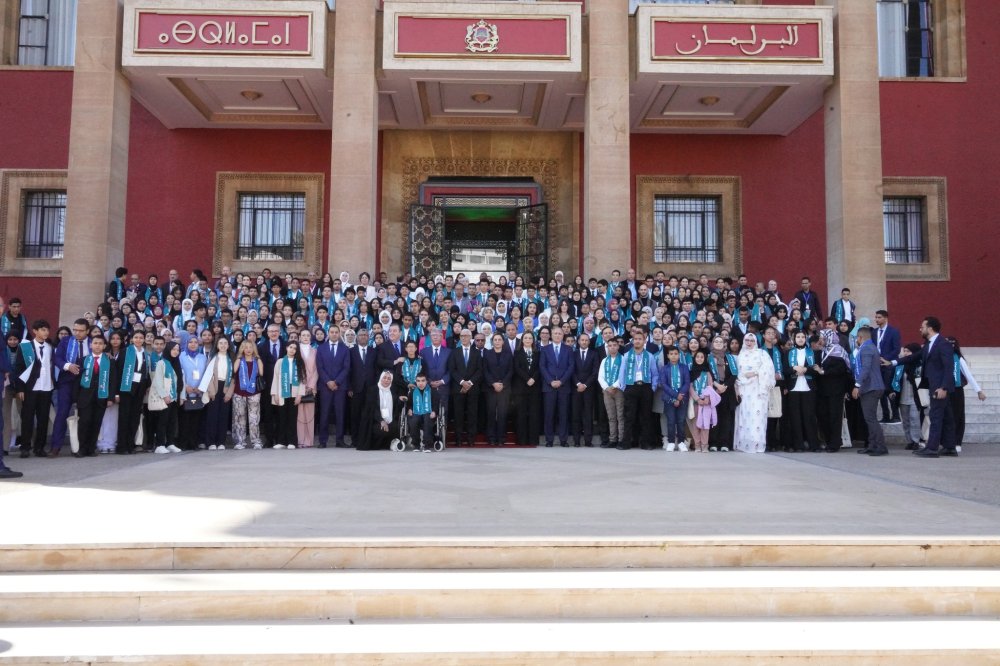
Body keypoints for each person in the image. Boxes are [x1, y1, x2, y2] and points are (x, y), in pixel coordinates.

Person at [891, 317, 956, 458]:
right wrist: (893, 362)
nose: (920, 329)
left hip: (940, 387)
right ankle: (950, 447)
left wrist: (943, 387)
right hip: (933, 385)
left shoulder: (942, 344)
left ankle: (932, 448)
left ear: (930, 328)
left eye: (922, 326)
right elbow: (913, 357)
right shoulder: (929, 345)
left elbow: (948, 367)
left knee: (936, 416)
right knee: (947, 417)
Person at [13, 320, 56, 458]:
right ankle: (25, 447)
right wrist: (19, 388)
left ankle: (40, 447)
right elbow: (18, 367)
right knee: (27, 418)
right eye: (43, 329)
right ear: (35, 331)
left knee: (43, 418)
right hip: (30, 387)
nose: (46, 332)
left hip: (46, 387)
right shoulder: (25, 347)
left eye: (47, 330)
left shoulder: (50, 347)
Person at [50, 318, 91, 455]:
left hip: (85, 382)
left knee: (85, 414)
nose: (77, 333)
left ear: (87, 331)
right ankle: (56, 446)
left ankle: (81, 446)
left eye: (81, 331)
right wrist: (68, 366)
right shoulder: (66, 341)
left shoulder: (92, 342)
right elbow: (57, 359)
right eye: (75, 330)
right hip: (66, 381)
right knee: (62, 412)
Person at [733, 333, 775, 453]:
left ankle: (757, 444)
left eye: (752, 340)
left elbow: (769, 369)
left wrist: (756, 373)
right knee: (744, 416)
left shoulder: (762, 353)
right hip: (744, 390)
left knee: (757, 417)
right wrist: (744, 378)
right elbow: (736, 373)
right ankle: (743, 443)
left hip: (758, 389)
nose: (749, 342)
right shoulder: (740, 356)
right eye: (747, 340)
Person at [945, 337, 987, 451]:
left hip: (957, 390)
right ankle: (947, 441)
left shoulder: (958, 359)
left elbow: (969, 375)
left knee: (958, 416)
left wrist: (979, 391)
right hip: (945, 389)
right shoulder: (942, 357)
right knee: (946, 417)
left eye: (951, 344)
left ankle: (957, 442)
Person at [620, 327, 658, 450]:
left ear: (644, 340)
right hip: (631, 387)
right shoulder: (626, 356)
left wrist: (652, 388)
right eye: (635, 339)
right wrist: (624, 387)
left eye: (639, 339)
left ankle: (645, 443)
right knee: (629, 416)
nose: (637, 341)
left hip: (646, 387)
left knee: (646, 417)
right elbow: (622, 372)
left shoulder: (650, 356)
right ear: (632, 341)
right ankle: (626, 442)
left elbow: (655, 374)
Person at [114, 330, 151, 455]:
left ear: (144, 340)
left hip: (140, 388)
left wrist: (146, 385)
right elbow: (118, 371)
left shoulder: (146, 353)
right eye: (136, 337)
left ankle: (130, 445)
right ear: (132, 339)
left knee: (135, 417)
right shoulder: (125, 352)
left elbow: (146, 371)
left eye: (141, 337)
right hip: (126, 387)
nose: (139, 340)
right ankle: (121, 446)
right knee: (124, 417)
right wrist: (117, 392)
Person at [813, 330, 851, 452]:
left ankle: (835, 444)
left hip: (836, 390)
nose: (820, 340)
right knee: (823, 415)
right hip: (822, 390)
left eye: (823, 338)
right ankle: (828, 440)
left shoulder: (839, 352)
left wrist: (824, 372)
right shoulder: (821, 352)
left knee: (835, 416)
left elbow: (841, 370)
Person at [852, 327, 887, 456]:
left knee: (871, 418)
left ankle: (880, 446)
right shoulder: (871, 347)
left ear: (860, 337)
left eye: (857, 338)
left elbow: (865, 369)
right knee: (869, 418)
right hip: (872, 386)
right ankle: (872, 445)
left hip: (871, 387)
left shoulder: (866, 348)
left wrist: (857, 385)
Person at [783, 330, 821, 452]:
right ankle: (797, 445)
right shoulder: (788, 352)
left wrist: (805, 369)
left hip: (808, 387)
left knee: (809, 417)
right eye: (798, 337)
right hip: (793, 388)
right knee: (795, 417)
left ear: (806, 339)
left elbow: (816, 370)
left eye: (802, 337)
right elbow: (785, 370)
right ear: (794, 339)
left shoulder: (813, 353)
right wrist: (794, 368)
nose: (800, 339)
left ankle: (813, 444)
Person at [198, 336, 235, 450]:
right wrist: (211, 391)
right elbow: (208, 375)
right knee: (212, 416)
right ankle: (211, 442)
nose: (223, 345)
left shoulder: (232, 359)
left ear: (228, 345)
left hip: (227, 387)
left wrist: (229, 393)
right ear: (217, 346)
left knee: (223, 416)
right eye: (221, 343)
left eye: (225, 343)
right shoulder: (212, 358)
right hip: (214, 387)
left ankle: (221, 442)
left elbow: (234, 378)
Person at [316, 326, 351, 448]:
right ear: (328, 333)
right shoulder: (321, 348)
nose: (334, 334)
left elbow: (346, 367)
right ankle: (322, 441)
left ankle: (340, 440)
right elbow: (320, 367)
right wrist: (328, 382)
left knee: (340, 414)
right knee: (324, 413)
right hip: (325, 386)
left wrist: (336, 382)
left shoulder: (345, 349)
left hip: (340, 387)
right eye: (332, 332)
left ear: (339, 334)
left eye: (337, 332)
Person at [448, 328, 482, 447]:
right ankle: (458, 438)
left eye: (466, 336)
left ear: (470, 337)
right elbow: (452, 370)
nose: (464, 338)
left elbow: (479, 370)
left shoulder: (477, 352)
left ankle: (471, 438)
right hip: (458, 388)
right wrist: (462, 382)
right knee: (458, 414)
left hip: (473, 388)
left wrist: (470, 383)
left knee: (472, 414)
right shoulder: (454, 352)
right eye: (462, 336)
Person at [540, 326, 574, 447]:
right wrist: (550, 381)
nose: (557, 335)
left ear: (563, 335)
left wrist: (561, 381)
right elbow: (542, 367)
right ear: (551, 335)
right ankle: (549, 440)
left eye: (560, 333)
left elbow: (571, 367)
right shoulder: (545, 349)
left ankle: (563, 440)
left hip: (564, 386)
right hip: (549, 387)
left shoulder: (569, 349)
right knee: (549, 414)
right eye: (555, 333)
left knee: (563, 414)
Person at [148, 340, 182, 454]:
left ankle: (170, 443)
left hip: (174, 397)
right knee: (162, 421)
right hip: (165, 397)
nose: (176, 352)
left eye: (178, 350)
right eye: (173, 349)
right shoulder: (162, 363)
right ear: (168, 350)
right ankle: (160, 444)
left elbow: (180, 381)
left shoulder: (176, 362)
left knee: (172, 421)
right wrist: (164, 395)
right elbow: (158, 381)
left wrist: (180, 396)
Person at [270, 340, 305, 449]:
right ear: (286, 348)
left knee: (292, 417)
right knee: (282, 417)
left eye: (295, 348)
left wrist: (300, 395)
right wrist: (274, 393)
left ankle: (292, 442)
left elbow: (302, 379)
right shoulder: (280, 361)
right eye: (290, 347)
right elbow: (275, 378)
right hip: (282, 391)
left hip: (294, 391)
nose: (292, 350)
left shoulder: (299, 362)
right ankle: (281, 441)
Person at [232, 339, 265, 450]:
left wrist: (258, 361)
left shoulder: (257, 360)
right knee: (239, 417)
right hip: (239, 392)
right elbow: (234, 372)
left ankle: (255, 441)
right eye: (245, 347)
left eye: (250, 347)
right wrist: (239, 360)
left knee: (254, 418)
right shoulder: (238, 360)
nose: (248, 350)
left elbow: (261, 373)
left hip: (254, 392)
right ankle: (240, 441)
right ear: (242, 349)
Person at [256, 324, 285, 446]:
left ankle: (280, 439)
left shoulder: (286, 345)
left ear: (279, 332)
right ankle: (269, 440)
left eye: (276, 331)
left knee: (281, 413)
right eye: (271, 331)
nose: (273, 333)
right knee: (268, 414)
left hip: (282, 385)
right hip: (267, 385)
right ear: (267, 333)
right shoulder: (261, 347)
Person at [348, 328, 378, 445]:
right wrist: (349, 387)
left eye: (365, 335)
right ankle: (355, 440)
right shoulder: (351, 351)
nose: (363, 337)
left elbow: (376, 370)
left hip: (370, 388)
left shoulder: (373, 351)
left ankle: (367, 439)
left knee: (368, 414)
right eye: (361, 335)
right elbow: (348, 370)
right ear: (357, 337)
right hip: (356, 388)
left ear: (368, 337)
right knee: (355, 415)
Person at [482, 332, 513, 446]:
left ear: (503, 342)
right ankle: (491, 437)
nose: (497, 342)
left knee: (502, 413)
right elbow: (485, 371)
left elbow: (511, 371)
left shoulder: (508, 354)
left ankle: (501, 437)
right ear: (492, 341)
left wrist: (502, 384)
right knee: (490, 413)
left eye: (499, 340)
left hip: (504, 388)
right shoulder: (487, 354)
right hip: (491, 388)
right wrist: (493, 383)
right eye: (495, 340)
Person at [358, 370, 400, 451]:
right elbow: (371, 409)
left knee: (394, 427)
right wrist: (381, 420)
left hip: (389, 419)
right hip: (374, 420)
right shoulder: (372, 390)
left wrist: (400, 400)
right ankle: (376, 445)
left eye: (389, 379)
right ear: (380, 378)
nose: (386, 380)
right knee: (381, 429)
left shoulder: (393, 391)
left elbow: (395, 408)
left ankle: (387, 445)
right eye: (384, 378)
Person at [513, 330, 541, 446]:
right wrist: (527, 379)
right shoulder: (517, 352)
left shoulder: (538, 353)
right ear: (522, 340)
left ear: (533, 340)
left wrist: (533, 378)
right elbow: (517, 368)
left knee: (534, 414)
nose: (528, 340)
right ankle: (522, 439)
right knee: (521, 414)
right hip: (521, 387)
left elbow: (540, 368)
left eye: (530, 338)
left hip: (534, 387)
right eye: (526, 338)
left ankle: (533, 439)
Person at [178, 334, 207, 451]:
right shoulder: (181, 356)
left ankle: (194, 442)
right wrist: (185, 387)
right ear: (186, 344)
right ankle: (184, 443)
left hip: (199, 392)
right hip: (186, 392)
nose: (193, 344)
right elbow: (179, 373)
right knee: (185, 419)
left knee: (196, 419)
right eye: (190, 342)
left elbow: (205, 373)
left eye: (195, 342)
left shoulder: (202, 357)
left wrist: (200, 387)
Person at [659, 345, 690, 452]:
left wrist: (680, 395)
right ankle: (671, 442)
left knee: (681, 421)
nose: (673, 356)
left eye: (676, 354)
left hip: (683, 398)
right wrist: (676, 396)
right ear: (668, 355)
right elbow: (664, 384)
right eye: (671, 354)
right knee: (671, 421)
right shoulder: (664, 368)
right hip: (669, 399)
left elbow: (686, 383)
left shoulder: (684, 367)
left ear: (679, 355)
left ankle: (681, 442)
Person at [570, 332, 598, 447]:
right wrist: (578, 384)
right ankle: (576, 441)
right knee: (576, 415)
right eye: (582, 340)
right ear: (578, 341)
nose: (584, 342)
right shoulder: (573, 353)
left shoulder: (594, 354)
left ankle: (588, 441)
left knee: (588, 415)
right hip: (575, 389)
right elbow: (571, 370)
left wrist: (585, 385)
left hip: (589, 389)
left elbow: (595, 372)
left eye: (586, 340)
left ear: (589, 342)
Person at [597, 335, 625, 449]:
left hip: (619, 390)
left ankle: (621, 439)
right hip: (607, 391)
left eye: (614, 345)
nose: (612, 347)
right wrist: (607, 387)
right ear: (607, 347)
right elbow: (600, 376)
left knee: (620, 416)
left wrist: (614, 386)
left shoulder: (623, 358)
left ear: (618, 346)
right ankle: (613, 439)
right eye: (610, 346)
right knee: (611, 416)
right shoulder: (604, 360)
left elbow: (623, 374)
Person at [873, 310, 902, 424]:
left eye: (879, 317)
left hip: (888, 364)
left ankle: (895, 415)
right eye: (876, 317)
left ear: (885, 318)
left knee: (889, 389)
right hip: (877, 365)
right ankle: (885, 415)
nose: (876, 319)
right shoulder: (874, 332)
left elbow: (896, 349)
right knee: (881, 391)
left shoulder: (893, 331)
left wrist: (885, 358)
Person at [688, 349, 719, 453]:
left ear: (705, 359)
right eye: (697, 357)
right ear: (694, 359)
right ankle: (697, 445)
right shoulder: (691, 372)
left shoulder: (708, 373)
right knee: (696, 424)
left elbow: (710, 387)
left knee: (705, 425)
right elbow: (690, 387)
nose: (699, 359)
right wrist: (697, 399)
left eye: (702, 357)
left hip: (706, 403)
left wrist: (706, 399)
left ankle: (705, 445)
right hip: (695, 402)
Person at [296, 329, 318, 448]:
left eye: (307, 335)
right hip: (298, 387)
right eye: (303, 335)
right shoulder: (296, 351)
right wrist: (301, 386)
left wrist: (310, 385)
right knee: (299, 415)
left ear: (311, 337)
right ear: (299, 337)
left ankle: (309, 441)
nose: (305, 337)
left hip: (311, 387)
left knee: (310, 414)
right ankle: (300, 440)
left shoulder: (315, 351)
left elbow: (316, 370)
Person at [407, 373, 439, 452]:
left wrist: (434, 411)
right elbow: (409, 404)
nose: (420, 383)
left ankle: (427, 445)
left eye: (423, 381)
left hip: (428, 412)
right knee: (414, 421)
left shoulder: (433, 391)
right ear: (416, 382)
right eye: (418, 381)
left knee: (427, 420)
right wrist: (409, 409)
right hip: (416, 412)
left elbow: (436, 403)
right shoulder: (412, 392)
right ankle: (416, 445)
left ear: (426, 381)